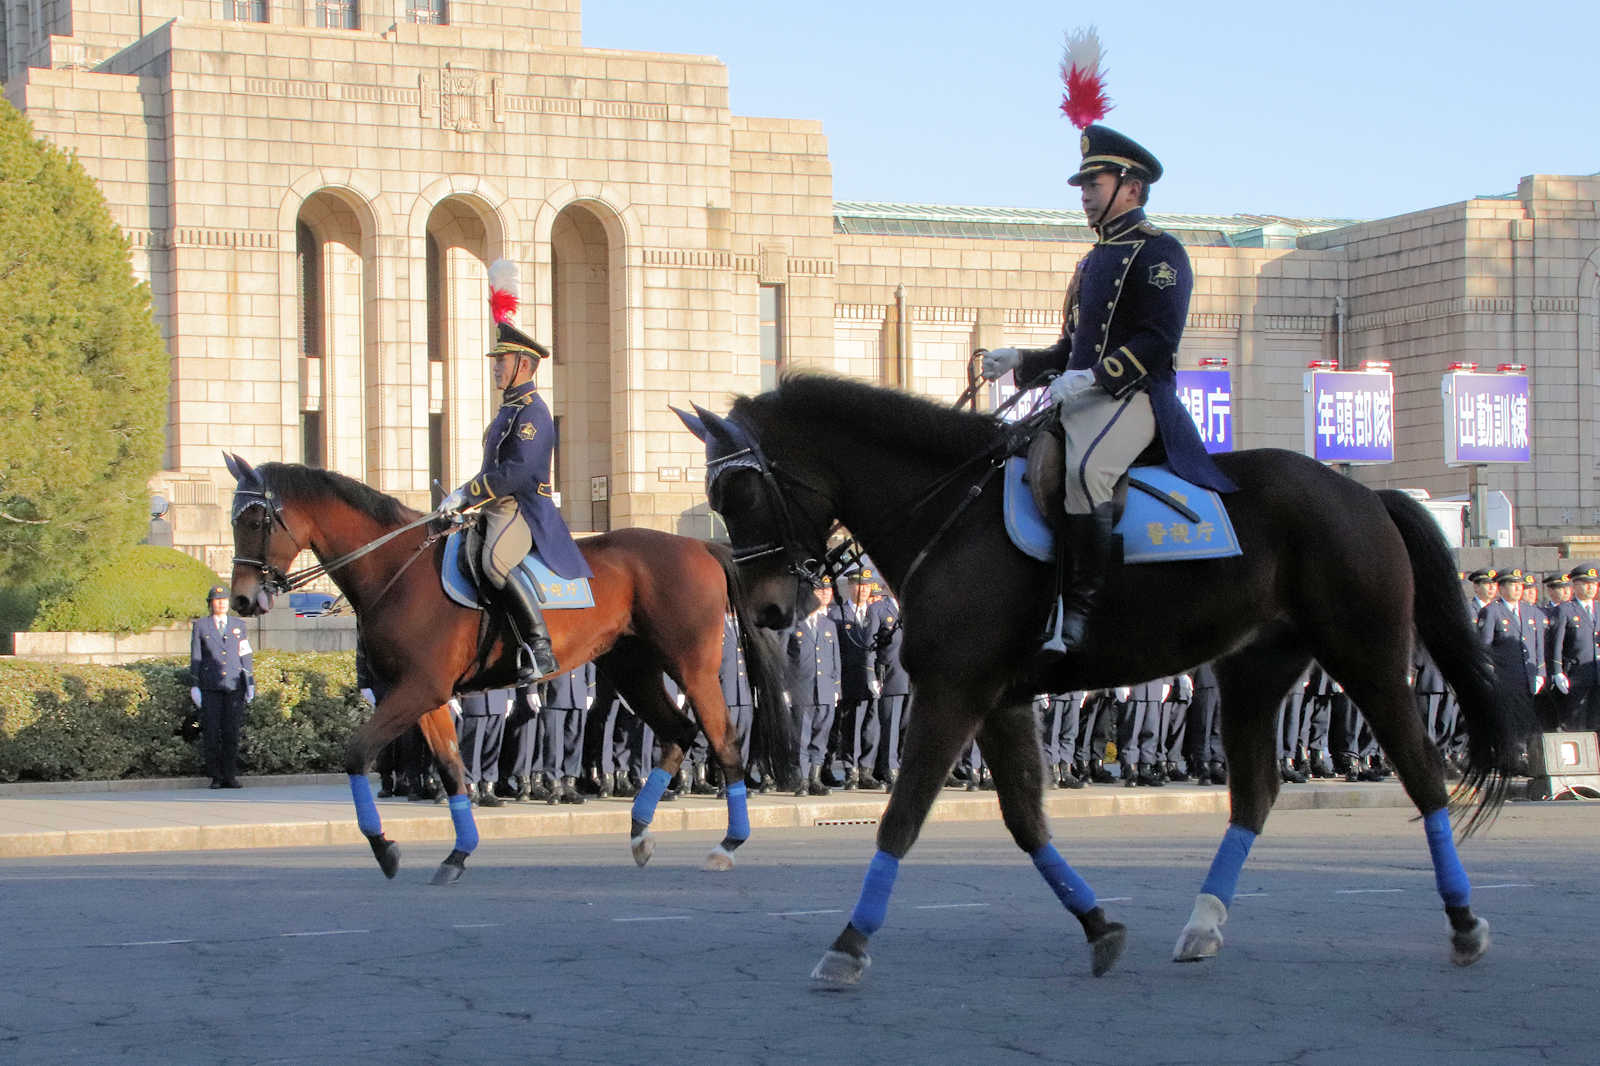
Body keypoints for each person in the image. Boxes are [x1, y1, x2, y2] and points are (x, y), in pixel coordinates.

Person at [980, 124, 1235, 664]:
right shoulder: (1092, 261)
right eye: (1083, 185)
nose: (1084, 194)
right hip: (1082, 398)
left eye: (1094, 183)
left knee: (1088, 471)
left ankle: (1083, 612)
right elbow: (1070, 349)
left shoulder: (1161, 254)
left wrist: (1095, 377)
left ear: (1131, 187)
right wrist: (1021, 360)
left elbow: (1158, 341)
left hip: (1136, 395)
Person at [437, 260, 592, 684]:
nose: (495, 366)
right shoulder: (508, 410)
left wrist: (467, 493)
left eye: (501, 360)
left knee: (494, 563)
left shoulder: (533, 413)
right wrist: (462, 501)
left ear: (523, 364)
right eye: (496, 360)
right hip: (494, 505)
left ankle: (540, 647)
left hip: (522, 507)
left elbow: (519, 472)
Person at [188, 586, 254, 789]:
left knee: (231, 732)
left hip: (234, 685)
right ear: (210, 603)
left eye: (224, 599)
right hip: (210, 686)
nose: (221, 603)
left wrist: (250, 683)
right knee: (211, 732)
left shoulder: (238, 625)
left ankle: (230, 775)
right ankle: (216, 776)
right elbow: (196, 656)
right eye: (217, 600)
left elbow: (245, 655)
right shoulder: (201, 626)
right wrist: (194, 685)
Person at [785, 584, 841, 796]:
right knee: (801, 736)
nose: (819, 597)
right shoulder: (794, 623)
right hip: (802, 689)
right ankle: (802, 780)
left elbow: (835, 659)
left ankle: (815, 778)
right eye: (815, 593)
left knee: (821, 735)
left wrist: (836, 686)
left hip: (825, 688)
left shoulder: (828, 624)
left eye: (821, 593)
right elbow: (784, 658)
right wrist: (785, 687)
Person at [829, 575, 882, 790]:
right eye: (859, 585)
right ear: (850, 586)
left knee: (871, 727)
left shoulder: (876, 611)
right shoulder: (837, 614)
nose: (864, 590)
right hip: (850, 680)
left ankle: (867, 769)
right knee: (851, 726)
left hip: (874, 680)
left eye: (867, 586)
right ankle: (851, 770)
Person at [866, 587, 910, 790]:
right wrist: (871, 676)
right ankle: (890, 769)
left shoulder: (914, 606)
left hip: (912, 677)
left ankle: (903, 766)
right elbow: (870, 646)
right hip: (891, 676)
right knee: (890, 726)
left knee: (907, 726)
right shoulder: (878, 609)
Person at [1551, 563, 1600, 733]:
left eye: (1594, 583)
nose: (1591, 588)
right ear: (1575, 585)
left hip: (1597, 674)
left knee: (1596, 720)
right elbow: (1556, 643)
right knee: (1575, 721)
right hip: (1576, 674)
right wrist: (1557, 671)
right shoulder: (1565, 609)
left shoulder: (1598, 608)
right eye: (1586, 583)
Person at [540, 662, 593, 804]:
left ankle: (570, 784)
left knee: (575, 742)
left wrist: (591, 689)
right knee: (553, 742)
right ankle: (554, 784)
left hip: (579, 690)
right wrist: (533, 689)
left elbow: (589, 660)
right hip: (554, 692)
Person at [453, 688, 508, 806]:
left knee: (493, 748)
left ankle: (488, 790)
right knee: (471, 749)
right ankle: (471, 789)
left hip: (499, 697)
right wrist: (451, 696)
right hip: (473, 699)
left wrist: (510, 695)